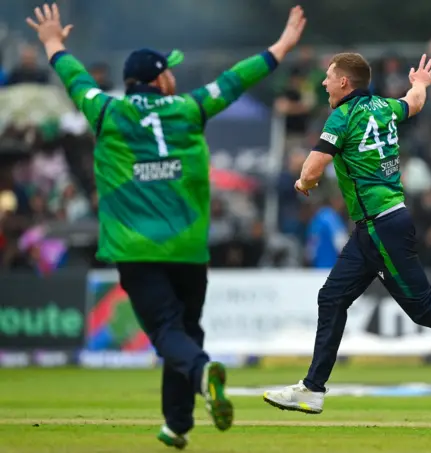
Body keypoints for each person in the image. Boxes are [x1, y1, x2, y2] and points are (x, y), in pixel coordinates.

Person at [26, 2, 307, 446]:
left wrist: (53, 42)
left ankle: (201, 373)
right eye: (169, 71)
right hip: (189, 249)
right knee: (186, 331)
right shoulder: (190, 107)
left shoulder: (107, 111)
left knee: (167, 334)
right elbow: (234, 81)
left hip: (136, 249)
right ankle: (177, 424)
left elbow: (75, 78)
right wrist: (281, 46)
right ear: (160, 79)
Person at [263, 52, 431, 415]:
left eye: (329, 77)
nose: (324, 82)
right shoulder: (384, 107)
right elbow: (414, 103)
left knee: (424, 310)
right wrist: (419, 83)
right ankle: (313, 389)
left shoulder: (342, 116)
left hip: (381, 225)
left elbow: (313, 167)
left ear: (345, 82)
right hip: (375, 227)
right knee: (331, 298)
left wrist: (302, 181)